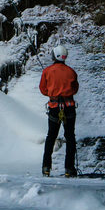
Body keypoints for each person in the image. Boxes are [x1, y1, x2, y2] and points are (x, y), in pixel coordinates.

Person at [39, 44, 79, 177]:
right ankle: (69, 168)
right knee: (70, 137)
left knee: (51, 137)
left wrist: (53, 92)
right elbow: (75, 89)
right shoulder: (71, 72)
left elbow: (43, 90)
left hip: (55, 107)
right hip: (69, 107)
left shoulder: (47, 71)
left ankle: (46, 167)